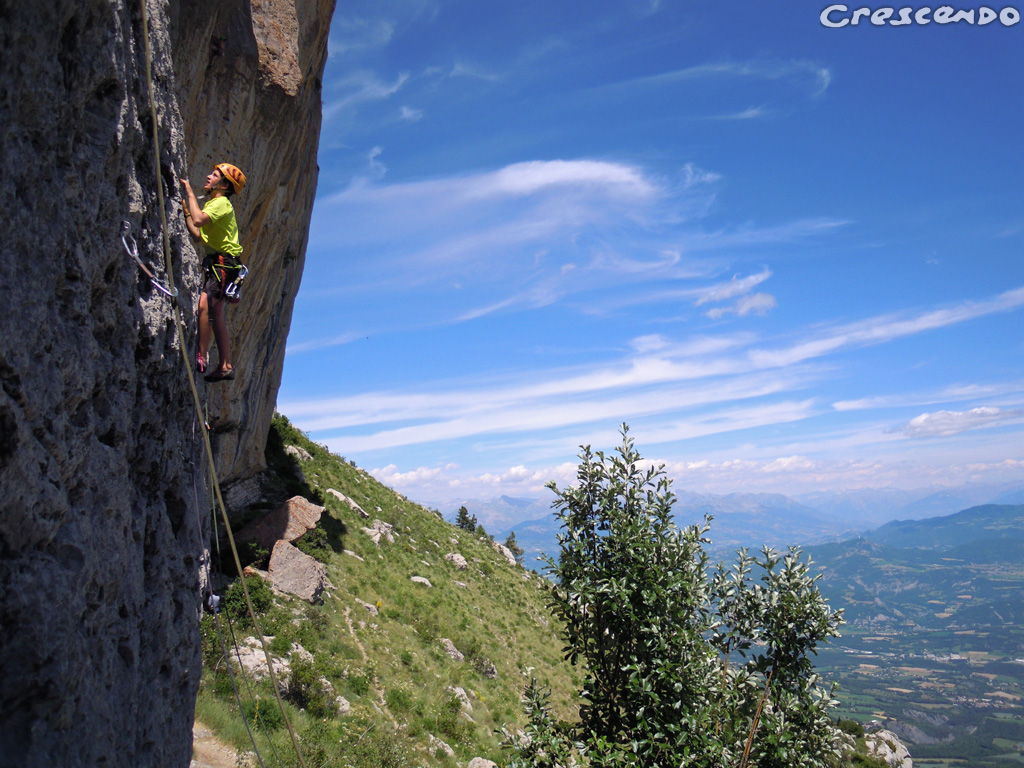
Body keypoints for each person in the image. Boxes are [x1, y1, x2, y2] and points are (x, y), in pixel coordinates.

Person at [181, 163, 246, 382]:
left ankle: (203, 356)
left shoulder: (221, 203)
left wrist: (189, 194)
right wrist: (188, 214)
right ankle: (224, 364)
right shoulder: (215, 204)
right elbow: (198, 235)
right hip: (221, 264)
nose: (209, 176)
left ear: (225, 184)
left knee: (206, 308)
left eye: (215, 175)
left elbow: (199, 221)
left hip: (223, 264)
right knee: (214, 314)